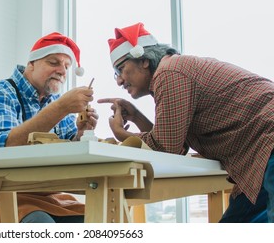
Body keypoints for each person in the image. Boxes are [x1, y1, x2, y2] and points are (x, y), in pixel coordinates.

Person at [98, 22, 274, 223]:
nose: (119, 80)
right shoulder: (173, 70)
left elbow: (166, 147)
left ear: (144, 60)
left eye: (121, 69)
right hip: (260, 156)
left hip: (266, 148)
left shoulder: (169, 73)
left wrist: (121, 134)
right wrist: (137, 116)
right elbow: (173, 144)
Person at [0, 32, 98, 223]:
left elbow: (71, 153)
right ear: (31, 64)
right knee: (40, 223)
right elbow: (4, 147)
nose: (62, 71)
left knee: (96, 219)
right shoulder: (2, 92)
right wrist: (61, 108)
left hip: (41, 196)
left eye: (66, 66)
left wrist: (81, 133)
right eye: (53, 62)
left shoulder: (55, 102)